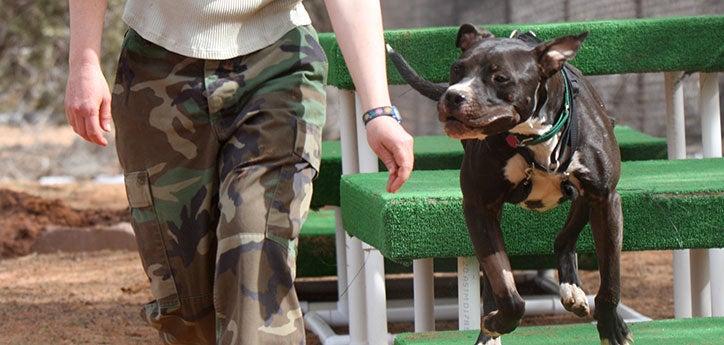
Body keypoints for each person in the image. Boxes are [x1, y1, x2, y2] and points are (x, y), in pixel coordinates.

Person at [65, 0, 412, 344]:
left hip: (277, 64)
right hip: (156, 69)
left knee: (256, 248)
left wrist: (378, 111)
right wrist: (84, 60)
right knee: (184, 297)